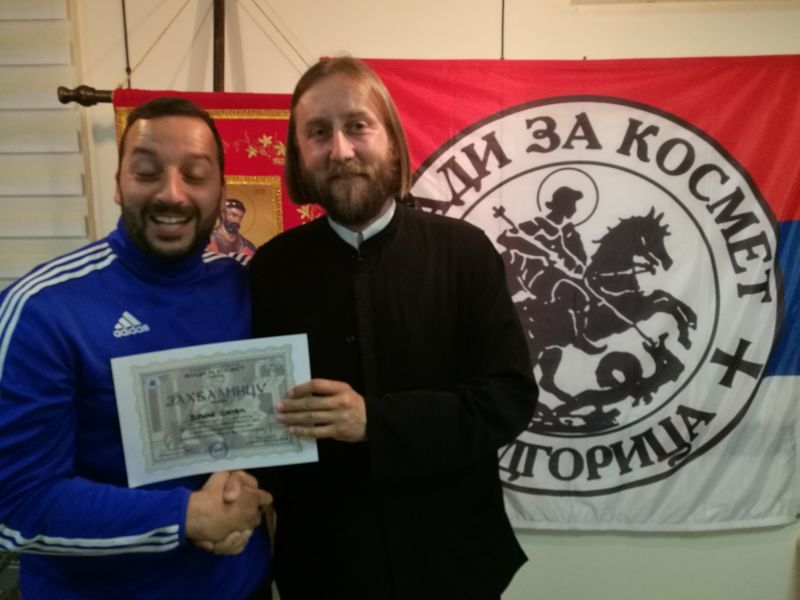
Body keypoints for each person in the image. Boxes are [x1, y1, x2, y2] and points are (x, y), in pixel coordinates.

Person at [248, 57, 538, 600]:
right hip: (323, 570)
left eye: (358, 125)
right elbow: (260, 424)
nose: (340, 151)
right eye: (318, 133)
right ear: (299, 157)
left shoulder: (465, 254)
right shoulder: (270, 271)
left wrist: (375, 422)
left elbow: (507, 398)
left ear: (394, 143)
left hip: (456, 563)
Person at [0, 97, 272, 599]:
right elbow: (17, 505)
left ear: (222, 192)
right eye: (147, 172)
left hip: (241, 583)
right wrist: (185, 516)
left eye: (195, 175)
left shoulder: (243, 284)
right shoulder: (44, 309)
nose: (172, 193)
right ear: (118, 183)